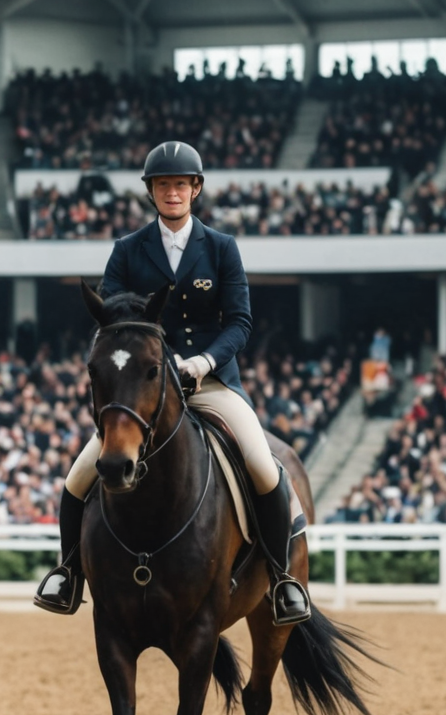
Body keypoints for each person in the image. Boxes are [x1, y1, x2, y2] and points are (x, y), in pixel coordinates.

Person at [33, 141, 311, 626]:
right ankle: (68, 572)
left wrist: (204, 361)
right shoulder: (128, 251)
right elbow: (112, 322)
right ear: (152, 192)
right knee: (78, 478)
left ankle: (282, 579)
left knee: (265, 468)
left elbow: (240, 322)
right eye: (163, 185)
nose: (173, 192)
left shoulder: (221, 248)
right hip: (144, 390)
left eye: (181, 184)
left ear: (195, 189)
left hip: (211, 383)